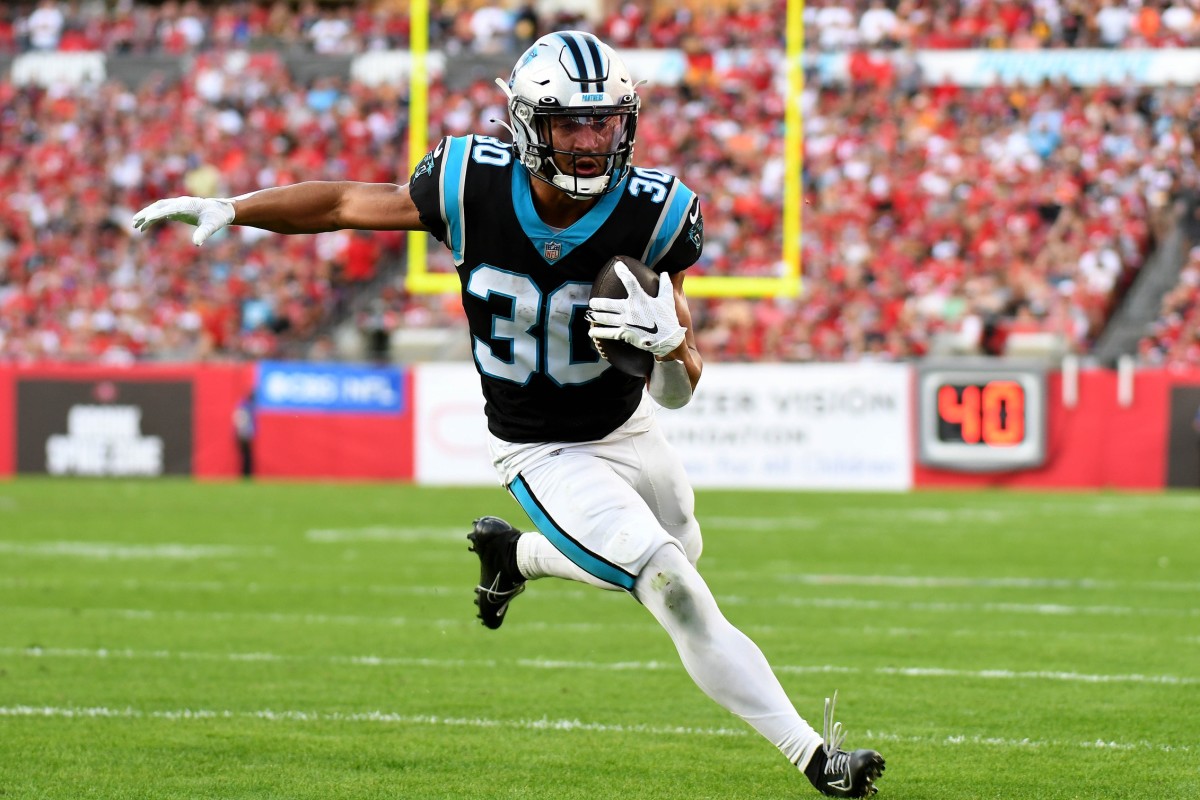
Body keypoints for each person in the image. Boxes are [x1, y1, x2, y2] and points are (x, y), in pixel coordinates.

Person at [132, 31, 885, 798]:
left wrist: (670, 350)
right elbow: (343, 202)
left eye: (606, 122)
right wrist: (235, 205)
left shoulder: (658, 214)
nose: (592, 142)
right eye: (571, 123)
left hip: (629, 425)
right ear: (529, 124)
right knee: (672, 586)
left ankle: (514, 557)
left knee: (682, 552)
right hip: (541, 449)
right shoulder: (468, 182)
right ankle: (816, 759)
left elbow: (677, 391)